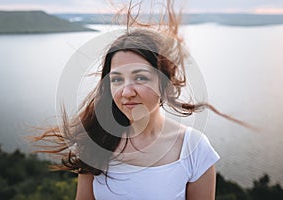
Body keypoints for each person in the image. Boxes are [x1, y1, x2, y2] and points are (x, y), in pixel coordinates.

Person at [33, 0, 249, 199]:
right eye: (116, 79)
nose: (127, 92)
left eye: (140, 77)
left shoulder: (194, 149)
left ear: (164, 84)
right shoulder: (97, 140)